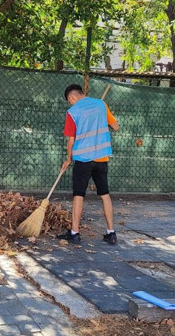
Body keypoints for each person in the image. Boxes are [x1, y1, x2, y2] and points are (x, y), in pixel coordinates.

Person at [57, 84, 120, 245]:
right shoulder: (101, 104)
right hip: (101, 159)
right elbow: (116, 126)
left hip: (83, 160)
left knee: (79, 195)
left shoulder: (73, 112)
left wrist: (68, 159)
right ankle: (111, 232)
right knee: (104, 194)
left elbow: (71, 141)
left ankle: (75, 233)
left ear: (71, 98)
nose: (70, 104)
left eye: (69, 101)